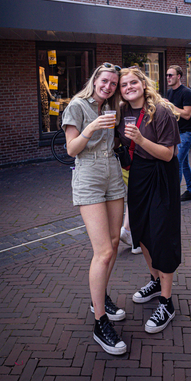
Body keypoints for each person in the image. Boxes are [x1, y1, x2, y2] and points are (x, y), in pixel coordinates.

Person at [62, 62, 127, 356]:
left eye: (113, 83)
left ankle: (98, 297)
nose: (109, 86)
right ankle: (100, 322)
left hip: (112, 171)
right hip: (88, 175)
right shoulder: (78, 105)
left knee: (114, 244)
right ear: (95, 80)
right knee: (102, 251)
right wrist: (91, 127)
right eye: (105, 81)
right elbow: (71, 149)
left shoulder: (112, 106)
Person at [117, 67, 181, 333]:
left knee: (161, 235)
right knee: (141, 232)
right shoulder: (121, 112)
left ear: (143, 84)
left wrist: (141, 139)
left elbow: (168, 154)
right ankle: (155, 282)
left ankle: (167, 302)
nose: (129, 87)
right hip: (138, 175)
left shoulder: (162, 111)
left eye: (134, 82)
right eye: (124, 84)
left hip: (161, 174)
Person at [166, 65, 191, 201]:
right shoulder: (169, 92)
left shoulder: (186, 92)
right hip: (177, 133)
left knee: (177, 163)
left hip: (187, 132)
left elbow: (186, 114)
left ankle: (173, 197)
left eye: (171, 75)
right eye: (167, 75)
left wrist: (170, 106)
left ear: (178, 76)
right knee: (184, 163)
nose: (168, 77)